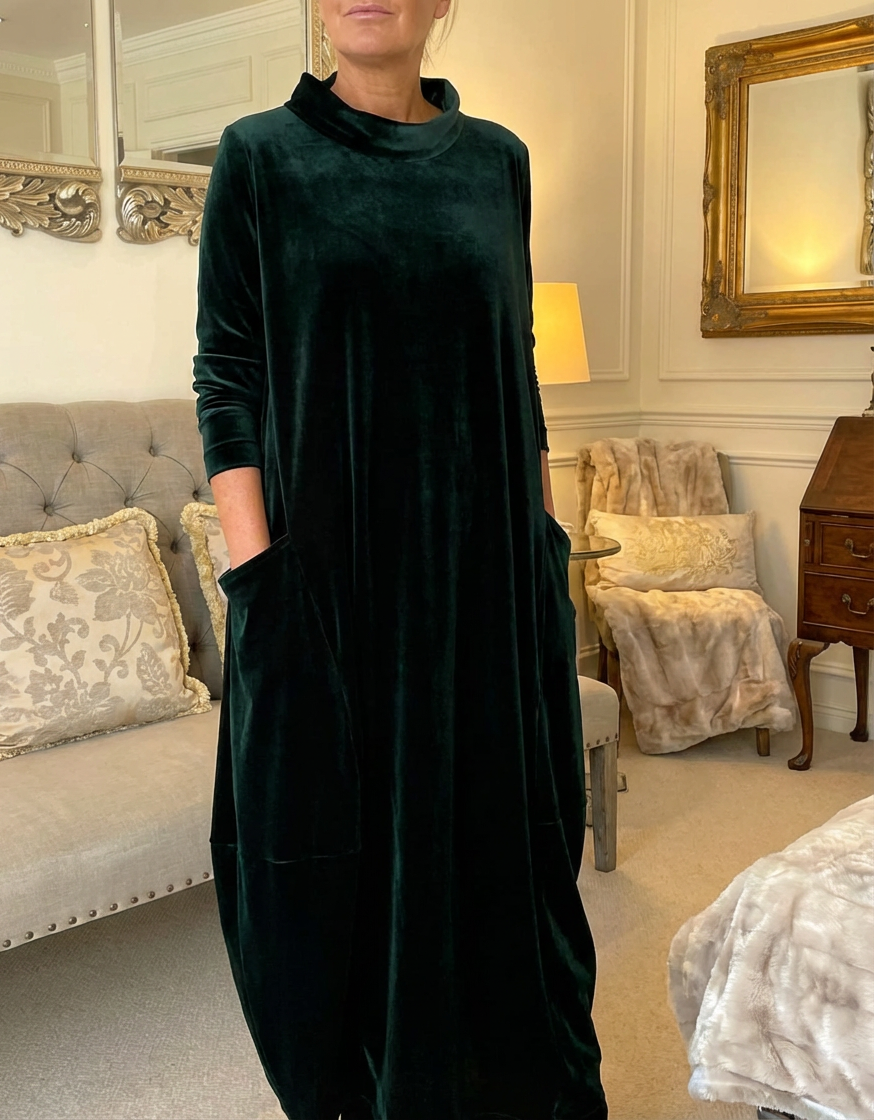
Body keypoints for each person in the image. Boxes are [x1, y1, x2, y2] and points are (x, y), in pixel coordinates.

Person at [191, 1, 608, 1117]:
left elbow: (515, 365)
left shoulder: (499, 162)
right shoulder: (258, 156)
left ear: (441, 4)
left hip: (486, 578)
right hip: (331, 584)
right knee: (332, 873)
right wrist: (262, 580)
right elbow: (227, 376)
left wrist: (542, 543)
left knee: (502, 858)